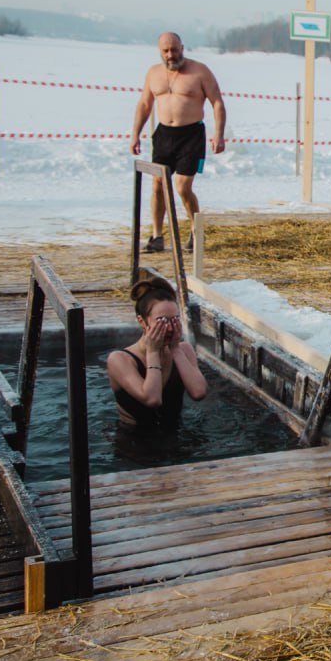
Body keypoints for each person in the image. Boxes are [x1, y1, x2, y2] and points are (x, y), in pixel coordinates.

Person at [130, 32, 226, 254]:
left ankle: (195, 230)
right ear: (160, 51)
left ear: (182, 47)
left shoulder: (200, 71)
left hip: (191, 135)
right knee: (158, 185)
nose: (171, 55)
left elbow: (217, 103)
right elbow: (145, 104)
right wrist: (135, 133)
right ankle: (156, 236)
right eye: (166, 51)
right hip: (164, 135)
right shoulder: (153, 73)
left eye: (174, 49)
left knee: (183, 187)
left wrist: (218, 134)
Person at [107, 276, 208, 427]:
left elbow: (199, 392)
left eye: (174, 320)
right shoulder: (120, 359)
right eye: (162, 321)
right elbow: (152, 399)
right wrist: (153, 352)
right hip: (134, 438)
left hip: (175, 431)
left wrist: (175, 349)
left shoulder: (184, 349)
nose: (170, 328)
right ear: (142, 322)